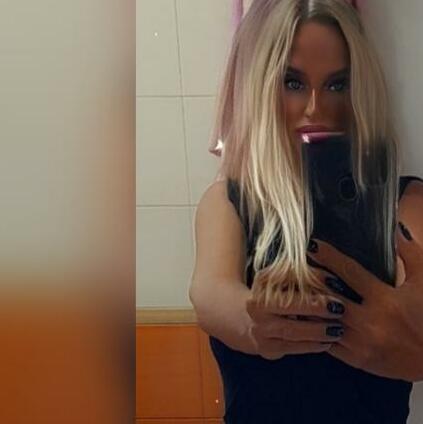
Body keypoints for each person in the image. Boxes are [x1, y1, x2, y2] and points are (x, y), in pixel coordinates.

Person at [189, 0, 423, 422]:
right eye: (293, 82)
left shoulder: (405, 201)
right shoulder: (230, 203)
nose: (315, 107)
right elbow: (208, 295)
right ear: (262, 85)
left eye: (338, 84)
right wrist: (253, 322)